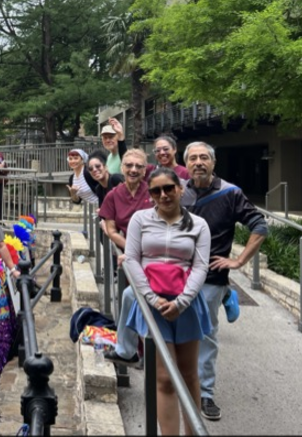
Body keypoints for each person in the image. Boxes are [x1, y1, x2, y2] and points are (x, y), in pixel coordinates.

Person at [182, 142, 269, 422]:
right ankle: (179, 383)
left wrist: (239, 261)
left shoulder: (230, 193)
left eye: (204, 158)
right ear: (186, 163)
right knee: (175, 330)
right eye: (193, 158)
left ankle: (205, 393)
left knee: (205, 335)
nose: (198, 162)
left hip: (211, 278)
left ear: (213, 163)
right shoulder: (176, 190)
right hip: (176, 277)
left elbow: (259, 225)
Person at [123, 168, 212, 436]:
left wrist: (182, 302)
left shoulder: (198, 224)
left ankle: (193, 432)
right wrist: (151, 298)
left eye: (169, 188)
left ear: (180, 189)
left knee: (188, 373)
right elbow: (131, 259)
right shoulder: (140, 220)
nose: (163, 195)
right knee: (164, 377)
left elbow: (200, 266)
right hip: (153, 303)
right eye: (156, 191)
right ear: (150, 195)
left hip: (186, 302)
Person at [100, 150, 156, 365]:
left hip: (157, 253)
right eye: (129, 165)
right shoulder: (113, 195)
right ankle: (135, 350)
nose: (133, 170)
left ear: (145, 169)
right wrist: (133, 250)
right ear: (121, 167)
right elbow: (111, 229)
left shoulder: (154, 191)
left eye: (139, 166)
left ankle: (137, 351)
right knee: (131, 296)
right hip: (132, 254)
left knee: (135, 297)